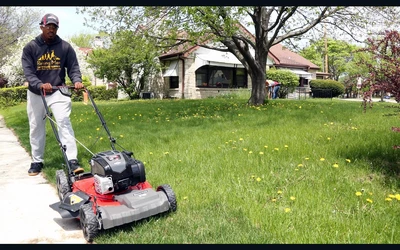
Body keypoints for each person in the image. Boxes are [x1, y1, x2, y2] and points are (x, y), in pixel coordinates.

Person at [21, 13, 84, 176]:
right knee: (36, 127)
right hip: (36, 93)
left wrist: (76, 80)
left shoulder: (65, 47)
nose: (51, 29)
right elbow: (28, 72)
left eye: (54, 27)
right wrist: (40, 84)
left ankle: (72, 160)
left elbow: (73, 67)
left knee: (64, 122)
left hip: (58, 91)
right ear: (41, 27)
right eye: (48, 26)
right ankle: (37, 161)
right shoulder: (31, 47)